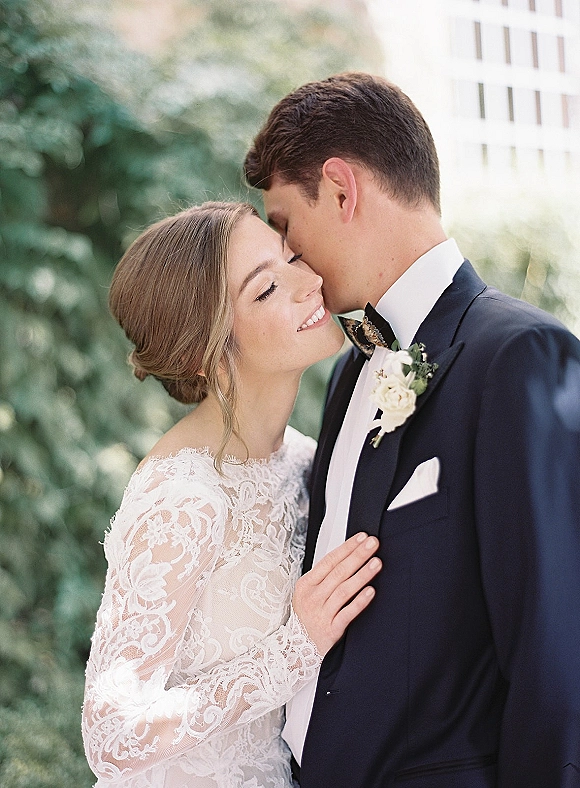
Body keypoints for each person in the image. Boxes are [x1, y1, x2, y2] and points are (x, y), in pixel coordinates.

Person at [244, 72, 580, 787]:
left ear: (341, 189)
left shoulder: (518, 356)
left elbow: (555, 657)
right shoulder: (347, 371)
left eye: (285, 227)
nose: (291, 261)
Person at [81, 201, 383, 788]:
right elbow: (112, 736)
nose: (309, 283)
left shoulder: (300, 458)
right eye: (267, 289)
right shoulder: (182, 497)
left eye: (293, 257)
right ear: (208, 354)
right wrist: (296, 648)